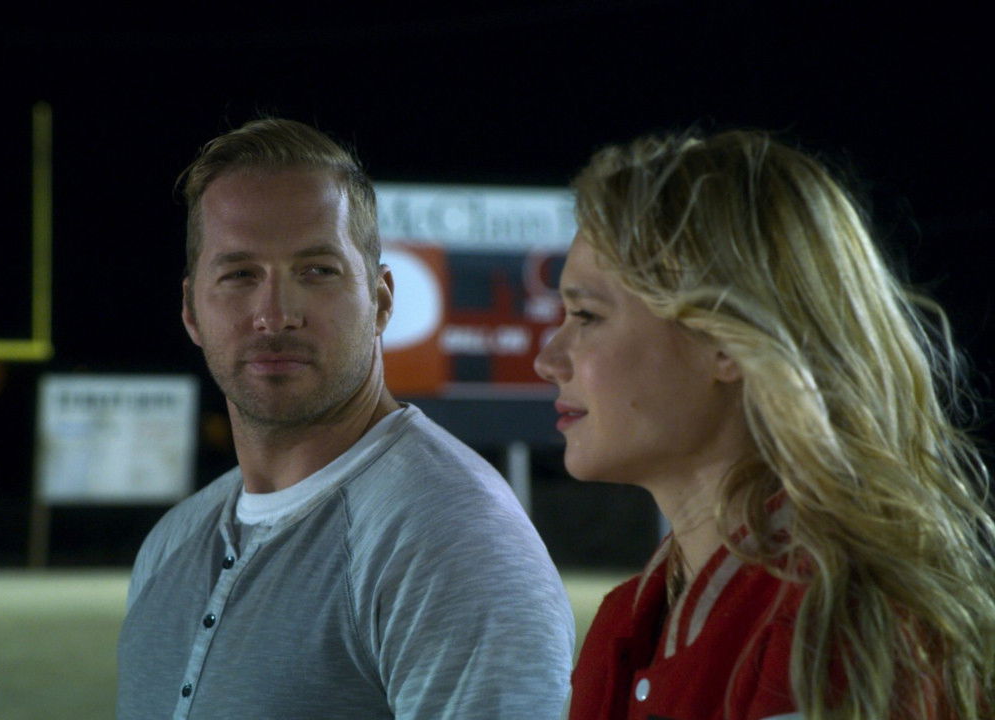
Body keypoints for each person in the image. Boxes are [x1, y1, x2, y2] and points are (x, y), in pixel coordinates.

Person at [116, 118, 574, 719]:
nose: (275, 314)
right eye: (239, 274)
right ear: (191, 310)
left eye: (317, 271)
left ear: (381, 300)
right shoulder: (171, 543)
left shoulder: (453, 538)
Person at [535, 130, 995, 720]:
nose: (549, 360)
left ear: (727, 341)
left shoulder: (836, 623)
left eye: (586, 315)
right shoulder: (629, 619)